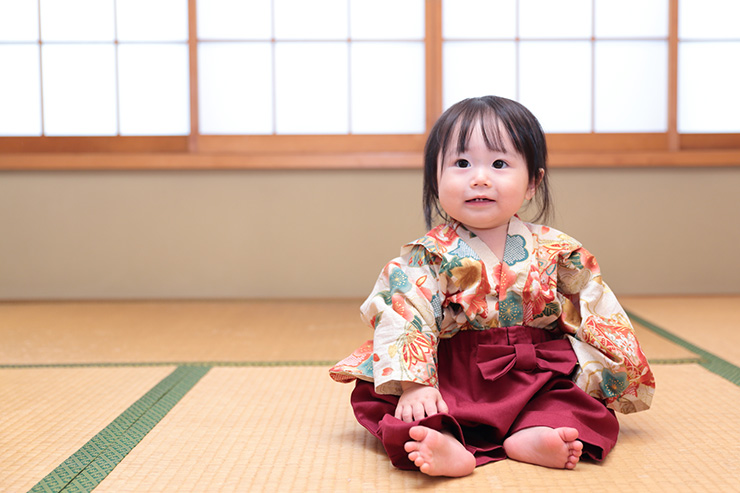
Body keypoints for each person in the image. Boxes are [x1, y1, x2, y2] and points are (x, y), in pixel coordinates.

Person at [329, 96, 655, 477]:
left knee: (574, 401)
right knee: (388, 401)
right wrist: (415, 384)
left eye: (500, 164)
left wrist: (612, 364)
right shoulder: (426, 256)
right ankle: (447, 443)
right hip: (451, 374)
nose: (479, 178)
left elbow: (595, 307)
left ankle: (534, 433)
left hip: (534, 373)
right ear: (435, 179)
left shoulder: (558, 250)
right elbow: (404, 315)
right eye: (461, 163)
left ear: (533, 182)